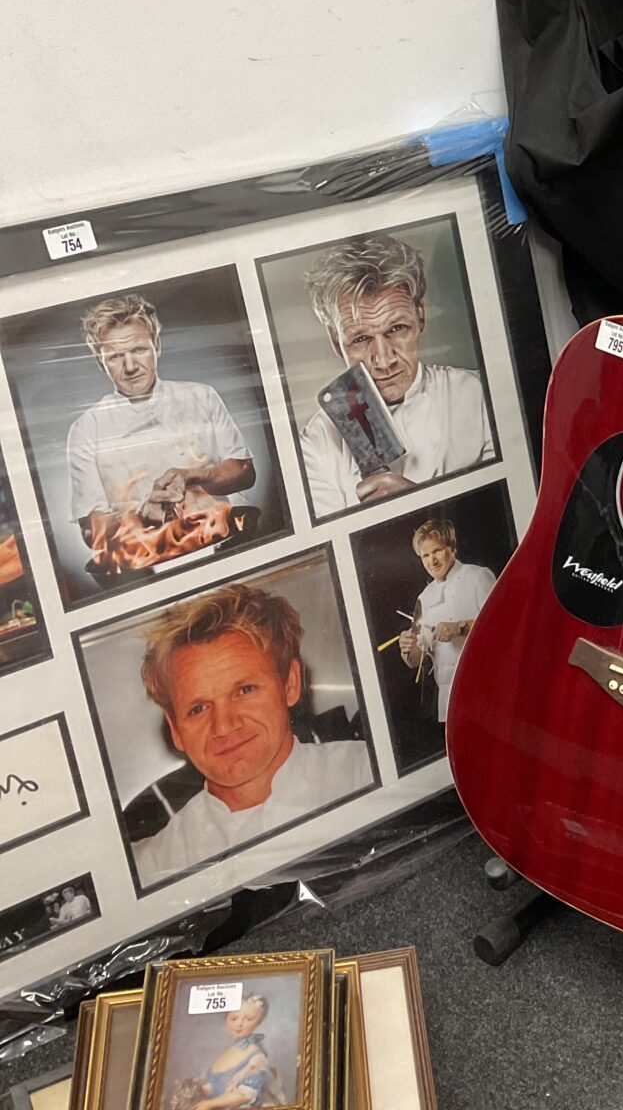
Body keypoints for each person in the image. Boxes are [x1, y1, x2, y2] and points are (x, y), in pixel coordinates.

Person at [132, 583, 371, 886]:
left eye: (244, 690)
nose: (224, 726)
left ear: (290, 684)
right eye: (199, 708)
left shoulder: (366, 772)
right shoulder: (149, 869)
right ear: (176, 730)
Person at [299, 234, 495, 516]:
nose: (384, 360)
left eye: (396, 329)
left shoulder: (478, 396)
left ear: (421, 317)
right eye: (361, 339)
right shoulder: (318, 441)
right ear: (335, 342)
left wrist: (420, 503)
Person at [66, 294, 255, 553]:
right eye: (115, 357)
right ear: (101, 362)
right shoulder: (86, 430)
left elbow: (244, 472)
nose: (130, 366)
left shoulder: (201, 396)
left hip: (222, 542)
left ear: (157, 346)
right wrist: (141, 514)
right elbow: (91, 530)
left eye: (139, 350)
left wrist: (193, 476)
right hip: (147, 565)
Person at [398, 517, 495, 721]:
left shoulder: (477, 577)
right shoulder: (423, 598)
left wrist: (460, 628)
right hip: (449, 699)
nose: (431, 561)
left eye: (437, 551)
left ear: (452, 548)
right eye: (425, 555)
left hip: (487, 688)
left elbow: (504, 625)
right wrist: (408, 648)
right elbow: (416, 659)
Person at [171, 991, 281, 1110]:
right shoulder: (229, 1051)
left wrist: (209, 1104)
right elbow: (215, 1087)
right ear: (226, 1018)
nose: (239, 1024)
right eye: (234, 1018)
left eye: (248, 1019)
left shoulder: (257, 1057)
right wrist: (185, 1096)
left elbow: (245, 1095)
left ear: (258, 1022)